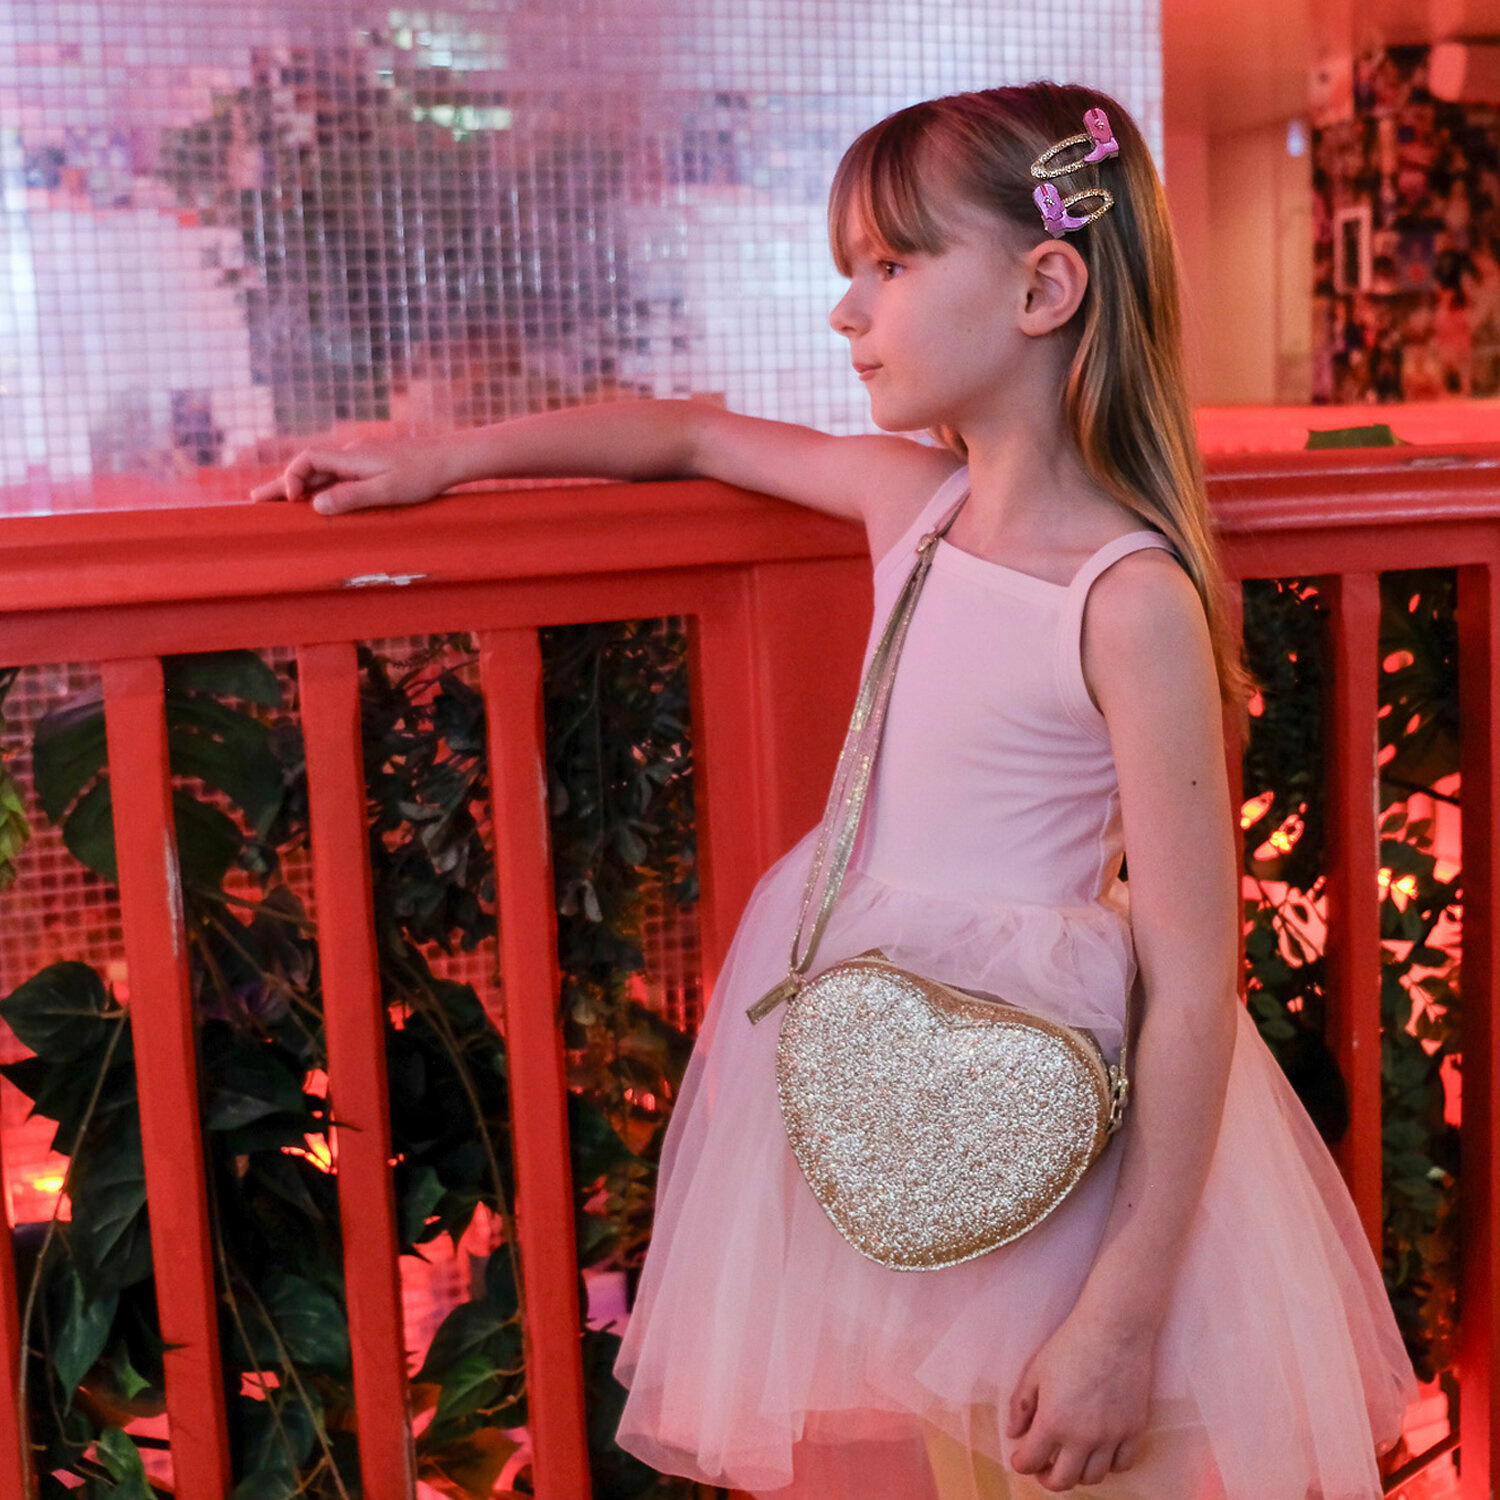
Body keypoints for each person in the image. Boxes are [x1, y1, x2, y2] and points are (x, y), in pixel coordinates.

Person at [255, 82, 1417, 1500]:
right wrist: (435, 463)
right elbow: (689, 437)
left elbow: (1192, 981)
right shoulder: (910, 505)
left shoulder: (1126, 601)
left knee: (1088, 1463)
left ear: (1045, 288)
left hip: (1060, 1103)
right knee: (969, 1465)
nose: (846, 311)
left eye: (892, 265)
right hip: (892, 1064)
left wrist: (1120, 1316)